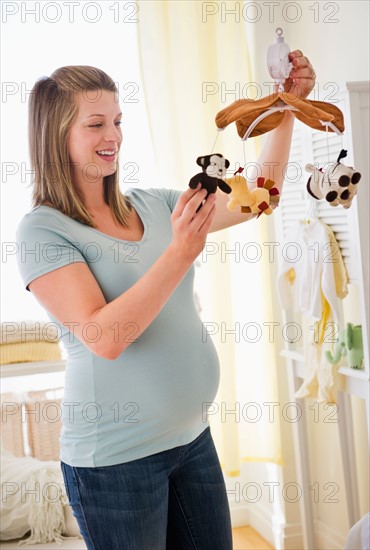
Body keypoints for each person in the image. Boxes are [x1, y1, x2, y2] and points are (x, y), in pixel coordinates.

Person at [16, 52, 316, 550]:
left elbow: (261, 193)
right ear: (56, 136)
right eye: (95, 124)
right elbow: (105, 337)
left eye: (117, 121)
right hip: (115, 462)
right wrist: (180, 252)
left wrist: (287, 107)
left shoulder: (154, 204)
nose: (112, 136)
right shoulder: (42, 230)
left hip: (191, 441)